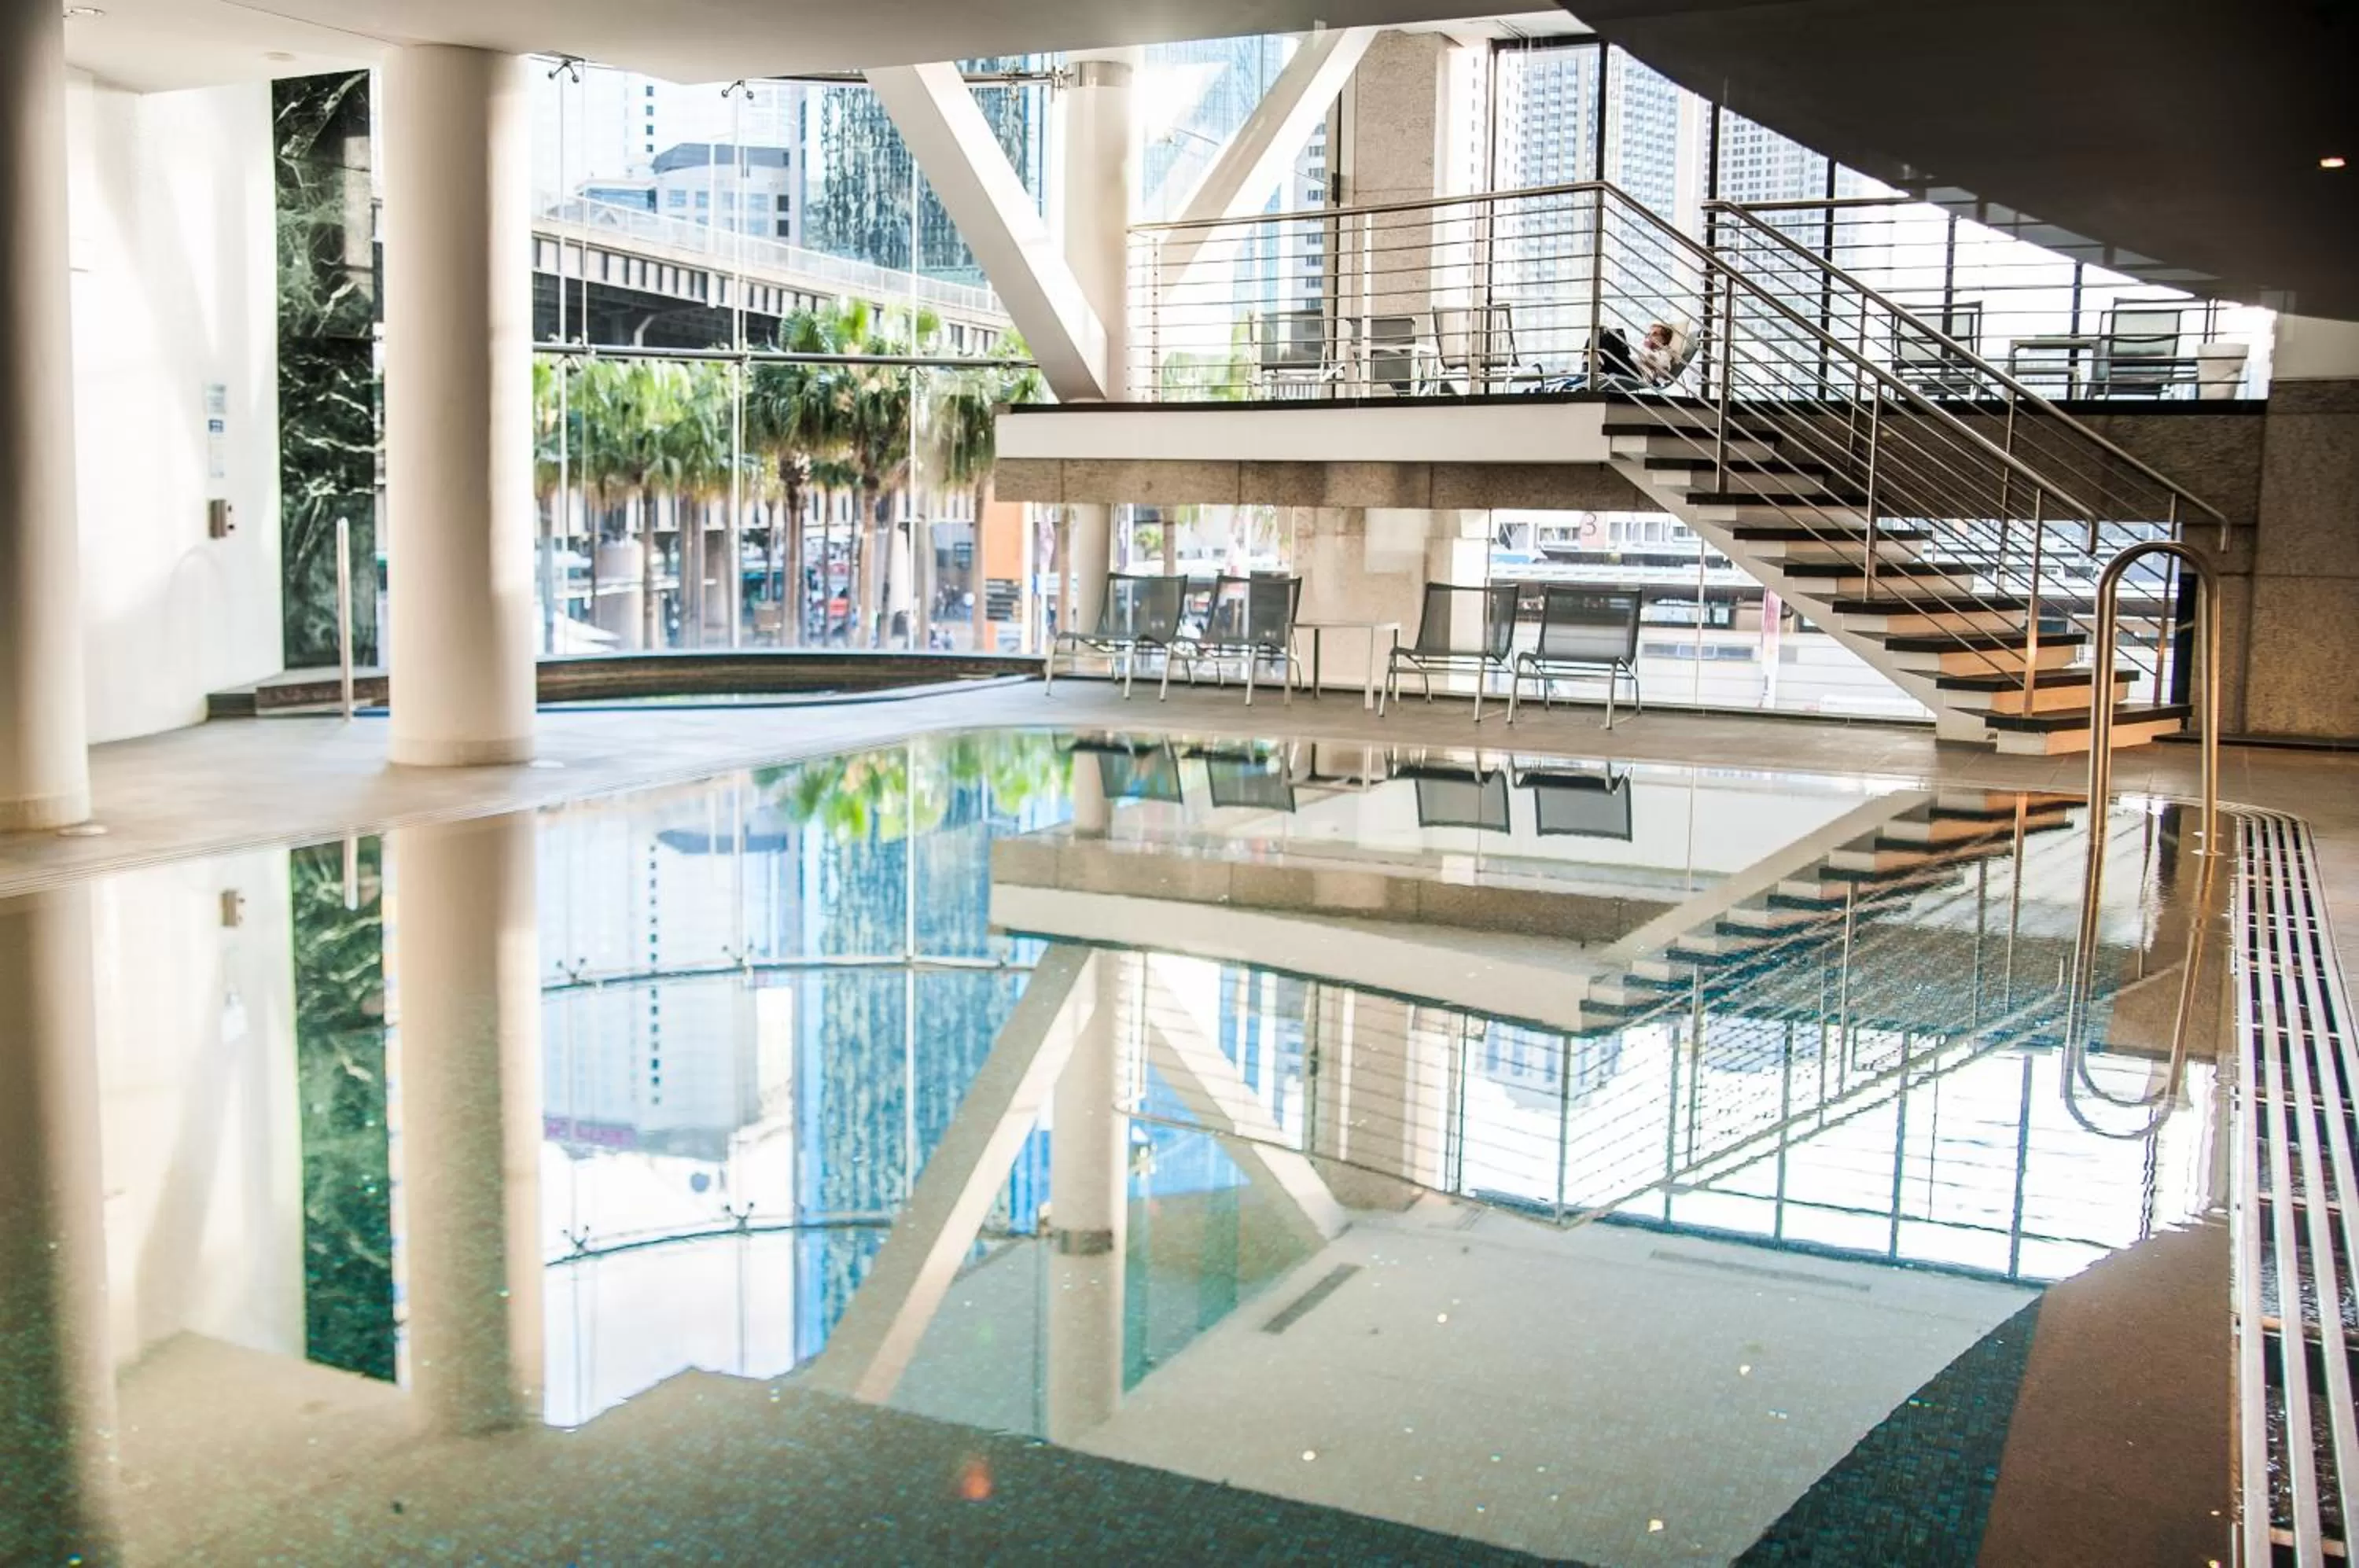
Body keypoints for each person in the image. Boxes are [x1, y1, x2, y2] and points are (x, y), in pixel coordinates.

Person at [1634, 320, 1702, 389]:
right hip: (1635, 369)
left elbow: (1660, 365)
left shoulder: (1666, 353)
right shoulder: (1649, 351)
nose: (1650, 336)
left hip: (1641, 375)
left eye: (1655, 334)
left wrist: (1646, 348)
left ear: (1664, 340)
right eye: (1649, 334)